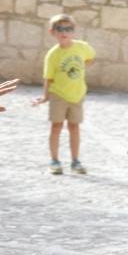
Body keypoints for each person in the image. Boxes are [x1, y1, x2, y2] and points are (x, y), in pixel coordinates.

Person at [32, 14, 95, 174]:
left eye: (69, 29)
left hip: (77, 95)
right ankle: (54, 160)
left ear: (74, 31)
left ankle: (75, 161)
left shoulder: (82, 47)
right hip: (58, 95)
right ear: (52, 32)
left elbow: (90, 58)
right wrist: (45, 96)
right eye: (60, 29)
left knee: (74, 127)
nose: (64, 32)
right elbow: (48, 77)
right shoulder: (53, 55)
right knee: (56, 127)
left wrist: (82, 68)